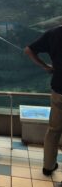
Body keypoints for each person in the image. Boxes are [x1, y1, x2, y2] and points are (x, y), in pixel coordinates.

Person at [24, 25, 62, 176]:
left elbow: (28, 50)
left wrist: (46, 67)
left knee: (53, 131)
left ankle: (48, 166)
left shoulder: (55, 32)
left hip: (59, 90)